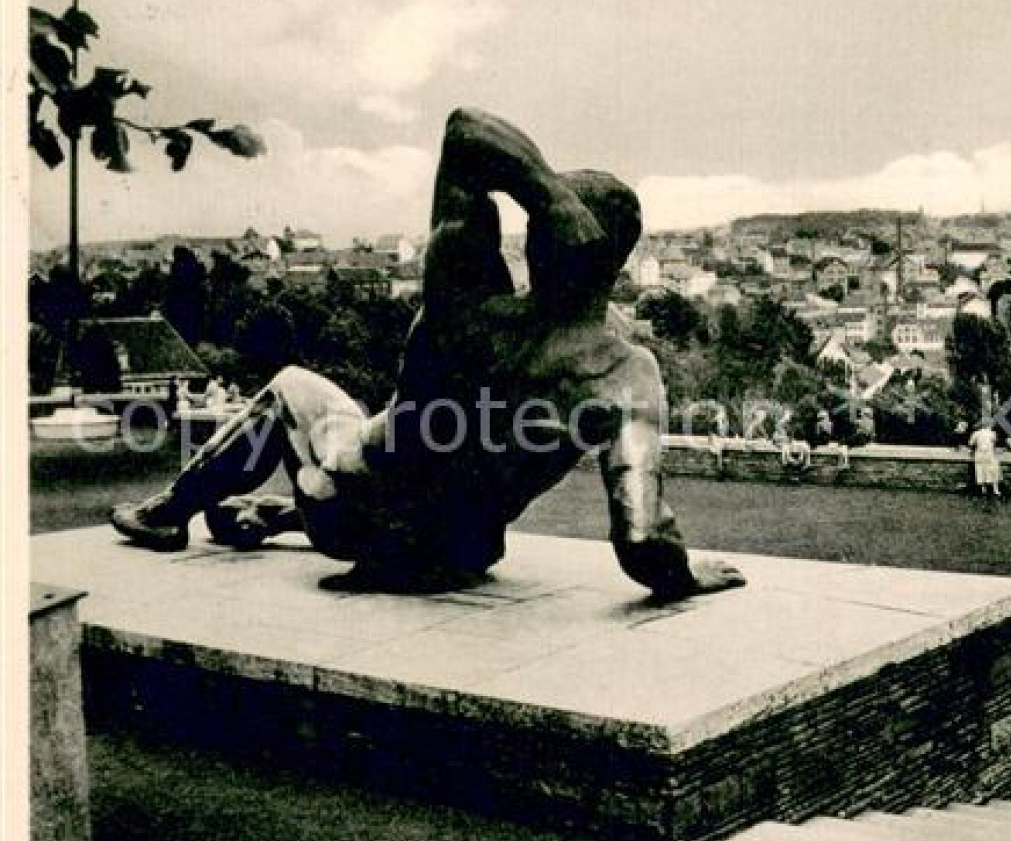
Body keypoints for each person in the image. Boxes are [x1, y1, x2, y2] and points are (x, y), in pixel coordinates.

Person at [111, 108, 745, 602]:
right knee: (403, 477)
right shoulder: (626, 374)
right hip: (460, 554)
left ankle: (167, 516)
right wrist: (683, 578)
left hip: (349, 517)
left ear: (544, 239)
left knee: (291, 389)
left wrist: (544, 191)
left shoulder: (466, 308)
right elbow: (641, 539)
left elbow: (464, 130)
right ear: (618, 261)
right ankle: (271, 517)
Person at [968, 419, 1001, 498]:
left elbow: (970, 443)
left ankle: (983, 489)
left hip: (980, 453)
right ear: (989, 425)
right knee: (993, 470)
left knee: (981, 470)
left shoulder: (976, 433)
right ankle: (995, 489)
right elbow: (995, 442)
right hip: (989, 453)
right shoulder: (992, 433)